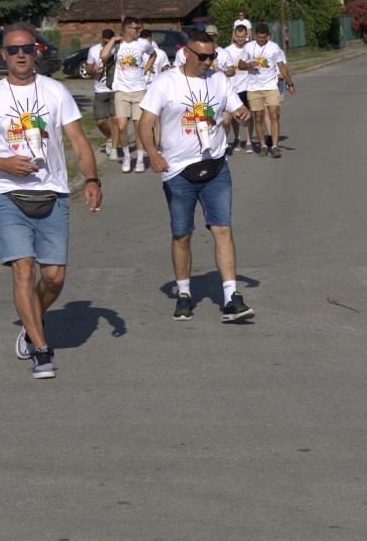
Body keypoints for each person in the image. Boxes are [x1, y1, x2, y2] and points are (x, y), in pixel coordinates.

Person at [0, 22, 103, 378]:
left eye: (27, 48)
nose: (21, 55)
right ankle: (42, 350)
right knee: (23, 269)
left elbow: (78, 140)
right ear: (3, 55)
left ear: (37, 50)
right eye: (14, 50)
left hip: (52, 192)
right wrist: (2, 163)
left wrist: (90, 177)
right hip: (8, 194)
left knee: (54, 277)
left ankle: (31, 322)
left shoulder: (55, 92)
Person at [138, 29, 256, 323]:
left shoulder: (219, 80)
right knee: (182, 234)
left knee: (222, 229)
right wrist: (153, 154)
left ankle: (231, 297)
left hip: (216, 166)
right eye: (202, 56)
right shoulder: (165, 82)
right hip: (178, 171)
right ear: (187, 53)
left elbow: (240, 110)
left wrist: (244, 114)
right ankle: (183, 293)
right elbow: (145, 123)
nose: (207, 61)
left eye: (212, 55)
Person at [101, 16, 157, 173]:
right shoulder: (118, 44)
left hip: (139, 90)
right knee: (121, 125)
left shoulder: (143, 44)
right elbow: (103, 56)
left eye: (139, 28)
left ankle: (139, 159)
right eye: (136, 28)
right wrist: (112, 40)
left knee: (139, 125)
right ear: (127, 29)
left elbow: (153, 55)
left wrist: (145, 69)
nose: (139, 31)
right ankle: (126, 156)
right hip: (121, 91)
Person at [239, 22, 295, 158]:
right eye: (259, 37)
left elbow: (282, 67)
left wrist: (290, 83)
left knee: (274, 115)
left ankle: (275, 146)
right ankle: (263, 146)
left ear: (268, 36)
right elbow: (239, 65)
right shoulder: (248, 47)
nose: (261, 40)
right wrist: (247, 65)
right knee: (258, 117)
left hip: (271, 86)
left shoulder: (274, 48)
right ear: (255, 36)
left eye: (264, 38)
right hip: (253, 87)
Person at [83, 28, 117, 160]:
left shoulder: (118, 48)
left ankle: (114, 148)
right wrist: (93, 70)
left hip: (115, 89)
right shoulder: (93, 50)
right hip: (100, 89)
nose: (107, 44)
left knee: (115, 119)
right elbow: (88, 69)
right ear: (101, 39)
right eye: (105, 42)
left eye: (110, 41)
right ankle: (110, 138)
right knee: (100, 121)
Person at [222, 24, 255, 151]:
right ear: (234, 36)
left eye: (243, 36)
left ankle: (249, 141)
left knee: (248, 114)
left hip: (247, 86)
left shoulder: (250, 48)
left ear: (247, 36)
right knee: (234, 115)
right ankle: (237, 138)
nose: (240, 39)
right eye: (238, 36)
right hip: (233, 87)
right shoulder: (228, 50)